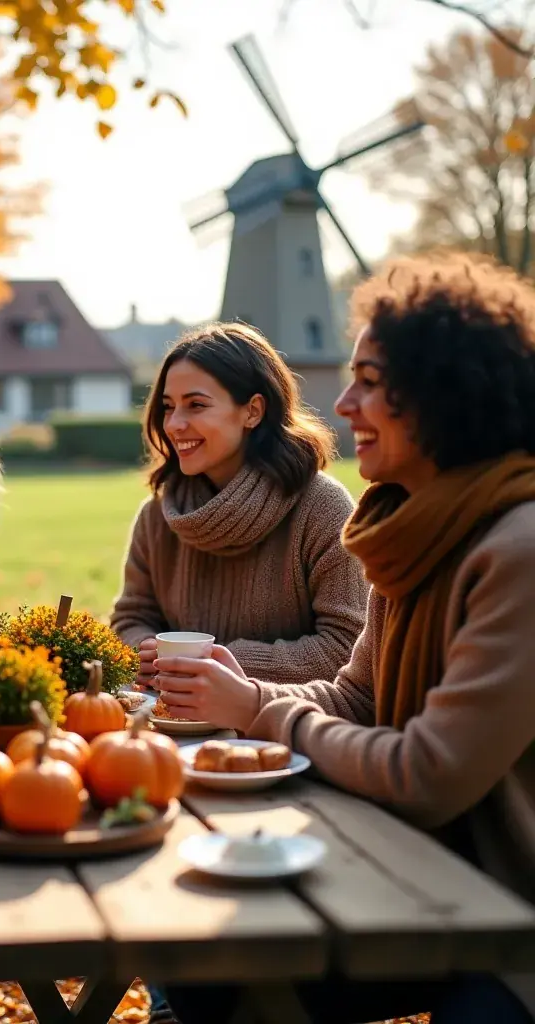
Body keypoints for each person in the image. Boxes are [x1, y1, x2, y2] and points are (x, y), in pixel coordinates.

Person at [155, 253, 535, 1023]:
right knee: (200, 965)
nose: (342, 402)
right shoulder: (409, 530)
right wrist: (244, 691)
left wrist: (261, 711)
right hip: (418, 879)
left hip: (508, 915)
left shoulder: (517, 551)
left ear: (444, 391)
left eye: (369, 380)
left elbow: (427, 773)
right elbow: (359, 696)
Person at [111, 321, 367, 689]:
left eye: (196, 405)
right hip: (166, 715)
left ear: (253, 411)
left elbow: (346, 648)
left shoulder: (322, 509)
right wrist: (144, 650)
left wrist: (221, 665)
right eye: (168, 407)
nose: (174, 424)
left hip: (282, 721)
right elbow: (129, 618)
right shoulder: (157, 515)